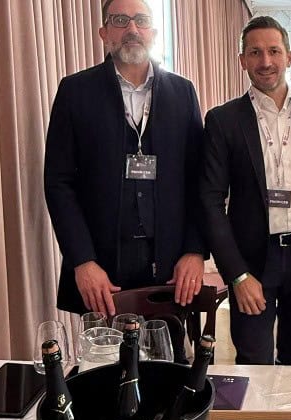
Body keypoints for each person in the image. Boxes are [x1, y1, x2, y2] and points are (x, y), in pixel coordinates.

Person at [44, 0, 206, 319]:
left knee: (168, 350)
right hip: (102, 269)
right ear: (104, 33)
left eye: (141, 20)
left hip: (170, 266)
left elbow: (199, 179)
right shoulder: (75, 91)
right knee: (105, 350)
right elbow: (58, 182)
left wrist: (195, 250)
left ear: (153, 33)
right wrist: (82, 260)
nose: (132, 28)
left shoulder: (182, 92)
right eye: (120, 20)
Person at [200, 16, 291, 365]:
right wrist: (236, 274)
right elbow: (210, 201)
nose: (266, 61)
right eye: (255, 52)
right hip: (253, 261)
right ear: (242, 60)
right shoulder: (223, 120)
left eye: (274, 51)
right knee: (253, 363)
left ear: (289, 56)